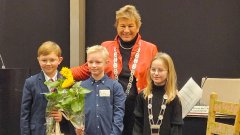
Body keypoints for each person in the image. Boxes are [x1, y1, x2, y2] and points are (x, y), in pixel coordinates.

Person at [71, 5, 158, 135]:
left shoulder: (150, 48)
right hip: (109, 107)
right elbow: (86, 69)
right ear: (116, 27)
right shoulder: (106, 46)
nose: (126, 30)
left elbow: (158, 74)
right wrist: (60, 76)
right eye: (122, 26)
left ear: (138, 27)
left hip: (138, 108)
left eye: (130, 26)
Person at [20, 41, 73, 135]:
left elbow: (72, 111)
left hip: (60, 131)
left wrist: (63, 117)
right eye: (44, 60)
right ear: (38, 60)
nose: (48, 63)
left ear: (60, 60)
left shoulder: (67, 82)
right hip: (38, 131)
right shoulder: (30, 83)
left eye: (52, 60)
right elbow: (25, 114)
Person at [75, 45, 125, 135]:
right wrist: (77, 127)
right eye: (90, 62)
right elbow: (77, 113)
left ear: (106, 63)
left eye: (98, 62)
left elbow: (119, 114)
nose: (94, 65)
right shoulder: (81, 86)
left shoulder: (115, 86)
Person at [132, 52, 183, 135]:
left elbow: (176, 128)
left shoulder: (174, 98)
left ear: (169, 72)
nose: (156, 73)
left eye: (160, 70)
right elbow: (138, 125)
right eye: (153, 69)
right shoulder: (143, 95)